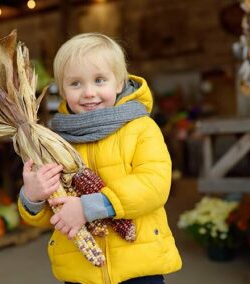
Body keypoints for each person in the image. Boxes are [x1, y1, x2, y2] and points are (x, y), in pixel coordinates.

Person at [18, 32, 182, 284]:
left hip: (139, 266)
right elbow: (51, 216)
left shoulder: (140, 128)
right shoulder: (55, 143)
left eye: (99, 80)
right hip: (80, 270)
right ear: (62, 90)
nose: (88, 92)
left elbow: (154, 184)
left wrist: (88, 208)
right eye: (75, 84)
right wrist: (33, 196)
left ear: (119, 82)